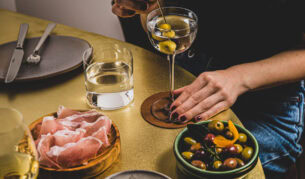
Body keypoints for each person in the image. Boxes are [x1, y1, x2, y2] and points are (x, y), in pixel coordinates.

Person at [112, 0, 305, 178]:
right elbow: (156, 20)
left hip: (264, 104)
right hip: (182, 71)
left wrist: (240, 78)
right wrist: (146, 7)